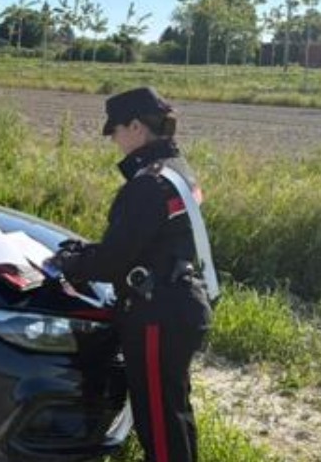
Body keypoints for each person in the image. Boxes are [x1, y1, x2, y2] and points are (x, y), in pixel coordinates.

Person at [46, 86, 213, 462]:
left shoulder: (148, 184)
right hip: (181, 301)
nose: (114, 140)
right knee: (174, 411)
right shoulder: (178, 171)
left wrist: (71, 262)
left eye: (116, 130)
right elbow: (145, 243)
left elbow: (113, 261)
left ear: (136, 127)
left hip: (157, 313)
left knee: (157, 418)